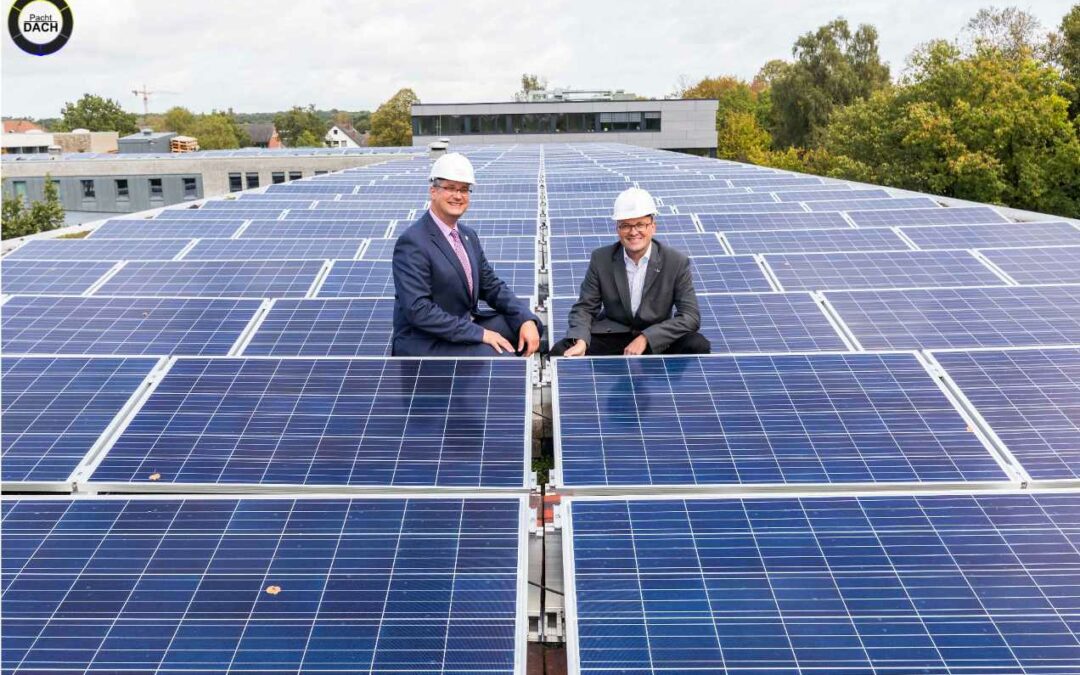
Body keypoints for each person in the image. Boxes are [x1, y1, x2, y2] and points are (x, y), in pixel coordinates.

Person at [392, 152, 541, 357]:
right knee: (495, 355)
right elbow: (419, 310)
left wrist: (525, 318)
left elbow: (492, 285)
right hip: (427, 339)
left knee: (531, 328)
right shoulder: (413, 242)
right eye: (450, 188)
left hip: (464, 323)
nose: (458, 196)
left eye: (464, 190)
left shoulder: (467, 235)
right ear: (433, 191)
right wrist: (480, 334)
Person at [551, 187, 711, 357]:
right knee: (562, 351)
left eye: (640, 224)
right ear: (618, 228)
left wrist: (646, 338)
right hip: (614, 336)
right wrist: (581, 340)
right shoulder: (601, 259)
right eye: (626, 225)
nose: (633, 232)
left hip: (657, 339)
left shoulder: (676, 262)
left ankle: (665, 381)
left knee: (697, 344)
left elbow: (690, 317)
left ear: (653, 227)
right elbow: (584, 308)